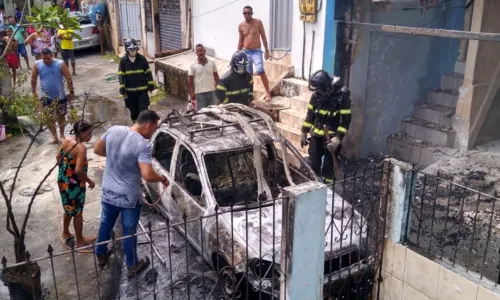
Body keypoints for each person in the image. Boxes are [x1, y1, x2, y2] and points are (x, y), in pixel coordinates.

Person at [93, 110, 169, 278]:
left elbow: (97, 149)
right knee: (129, 230)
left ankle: (100, 253)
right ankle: (132, 265)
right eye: (154, 129)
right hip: (128, 197)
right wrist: (162, 178)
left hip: (108, 191)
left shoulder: (114, 130)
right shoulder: (143, 145)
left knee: (106, 222)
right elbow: (148, 175)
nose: (153, 133)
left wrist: (116, 156)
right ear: (148, 126)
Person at [300, 70, 352, 184]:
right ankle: (316, 185)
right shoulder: (315, 97)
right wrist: (304, 132)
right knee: (313, 162)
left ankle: (328, 187)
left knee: (329, 166)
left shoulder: (341, 98)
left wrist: (337, 138)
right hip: (316, 135)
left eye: (318, 89)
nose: (316, 91)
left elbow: (346, 121)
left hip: (331, 138)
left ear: (325, 87)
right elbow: (310, 116)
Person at [57, 119, 96, 249]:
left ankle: (66, 232)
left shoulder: (67, 140)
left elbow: (58, 157)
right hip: (74, 184)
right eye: (89, 133)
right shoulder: (81, 148)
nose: (91, 135)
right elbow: (78, 170)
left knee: (68, 207)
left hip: (63, 180)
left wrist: (65, 172)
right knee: (78, 212)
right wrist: (89, 181)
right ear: (81, 132)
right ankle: (80, 240)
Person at [31, 48, 75, 144]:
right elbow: (34, 78)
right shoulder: (37, 65)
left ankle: (62, 135)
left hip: (60, 95)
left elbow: (68, 78)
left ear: (52, 56)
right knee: (49, 117)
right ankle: (54, 136)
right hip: (46, 96)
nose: (46, 61)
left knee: (61, 116)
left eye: (48, 58)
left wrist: (71, 92)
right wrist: (33, 92)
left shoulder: (60, 64)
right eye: (44, 59)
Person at [238, 5, 271, 102]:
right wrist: (238, 54)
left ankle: (268, 93)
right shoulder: (241, 26)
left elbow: (263, 37)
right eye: (245, 13)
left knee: (260, 70)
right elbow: (240, 41)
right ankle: (250, 95)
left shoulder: (258, 22)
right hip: (245, 52)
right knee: (248, 75)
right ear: (243, 14)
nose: (247, 15)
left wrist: (267, 50)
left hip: (256, 51)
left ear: (252, 13)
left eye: (249, 13)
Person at [118, 38, 155, 122]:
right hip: (130, 92)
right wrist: (122, 87)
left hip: (142, 90)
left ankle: (144, 127)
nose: (133, 51)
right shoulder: (123, 61)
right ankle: (136, 127)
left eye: (134, 49)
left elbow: (148, 72)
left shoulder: (142, 59)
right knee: (133, 111)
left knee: (143, 111)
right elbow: (121, 75)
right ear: (127, 50)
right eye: (131, 50)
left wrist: (151, 85)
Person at [188, 44, 219, 110]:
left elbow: (216, 76)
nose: (200, 52)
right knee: (200, 114)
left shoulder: (212, 63)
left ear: (204, 51)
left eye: (201, 50)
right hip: (200, 94)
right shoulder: (192, 65)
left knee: (214, 112)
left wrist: (217, 88)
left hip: (212, 93)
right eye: (198, 51)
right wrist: (192, 93)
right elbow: (190, 80)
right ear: (196, 53)